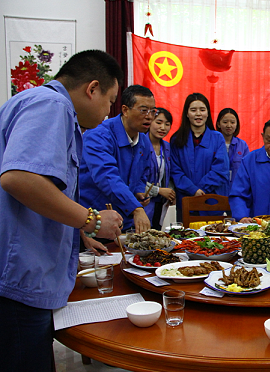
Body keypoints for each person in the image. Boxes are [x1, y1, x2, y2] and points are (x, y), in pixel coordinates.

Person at [0, 50, 124, 371]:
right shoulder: (51, 105)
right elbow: (19, 178)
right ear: (92, 88)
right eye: (110, 101)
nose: (108, 113)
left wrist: (78, 229)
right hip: (18, 280)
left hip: (26, 276)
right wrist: (92, 219)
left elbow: (43, 191)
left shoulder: (45, 106)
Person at [80, 85, 155, 233]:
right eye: (143, 110)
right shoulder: (99, 135)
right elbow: (106, 176)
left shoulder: (144, 142)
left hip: (122, 223)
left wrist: (139, 192)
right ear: (125, 110)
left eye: (153, 111)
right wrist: (136, 208)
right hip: (92, 223)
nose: (149, 116)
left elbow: (142, 175)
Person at [170, 93, 229, 221]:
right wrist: (193, 190)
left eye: (202, 110)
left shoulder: (217, 138)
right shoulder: (177, 139)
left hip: (212, 202)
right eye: (193, 110)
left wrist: (200, 189)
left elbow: (221, 169)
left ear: (208, 113)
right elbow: (175, 170)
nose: (198, 114)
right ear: (186, 113)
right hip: (186, 202)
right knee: (186, 239)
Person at [144, 107, 176, 230]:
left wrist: (171, 193)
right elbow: (135, 180)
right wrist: (158, 191)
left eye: (167, 124)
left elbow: (171, 174)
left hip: (161, 204)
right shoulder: (140, 145)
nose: (162, 127)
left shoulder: (168, 148)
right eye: (158, 122)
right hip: (144, 202)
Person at [215, 108, 249, 187]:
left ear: (237, 124)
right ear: (218, 124)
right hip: (216, 188)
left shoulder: (242, 145)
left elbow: (247, 169)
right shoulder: (214, 143)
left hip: (236, 188)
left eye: (232, 122)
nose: (229, 125)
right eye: (225, 122)